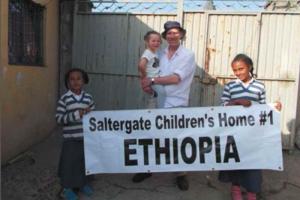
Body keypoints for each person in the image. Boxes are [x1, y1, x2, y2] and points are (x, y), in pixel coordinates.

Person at [133, 21, 196, 191]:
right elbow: (148, 71)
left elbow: (176, 78)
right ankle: (148, 168)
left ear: (182, 35)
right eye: (169, 33)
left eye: (176, 32)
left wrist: (152, 80)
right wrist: (145, 83)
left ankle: (180, 174)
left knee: (177, 138)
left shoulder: (188, 55)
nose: (172, 36)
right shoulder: (159, 53)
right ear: (165, 36)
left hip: (177, 103)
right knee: (151, 135)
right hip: (156, 100)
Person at [218, 54, 281, 200]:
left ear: (250, 67)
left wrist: (274, 107)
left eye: (241, 69)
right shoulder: (230, 86)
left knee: (253, 161)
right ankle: (236, 189)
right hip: (235, 131)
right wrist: (237, 102)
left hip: (253, 133)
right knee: (236, 160)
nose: (238, 73)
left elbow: (263, 107)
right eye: (235, 70)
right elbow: (222, 106)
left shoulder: (259, 86)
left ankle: (252, 192)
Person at [56, 68, 95, 200]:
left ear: (84, 81)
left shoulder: (88, 98)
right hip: (71, 139)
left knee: (84, 163)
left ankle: (83, 184)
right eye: (71, 79)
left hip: (86, 139)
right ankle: (66, 189)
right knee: (69, 164)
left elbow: (94, 118)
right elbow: (59, 119)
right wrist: (77, 114)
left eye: (79, 78)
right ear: (68, 82)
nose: (75, 81)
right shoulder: (64, 99)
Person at [138, 30, 165, 108]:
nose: (156, 43)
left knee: (156, 97)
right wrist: (144, 76)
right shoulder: (148, 53)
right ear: (147, 42)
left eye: (158, 41)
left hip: (155, 79)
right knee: (161, 94)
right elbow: (141, 65)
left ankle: (153, 99)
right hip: (151, 79)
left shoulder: (155, 53)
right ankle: (153, 112)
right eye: (153, 41)